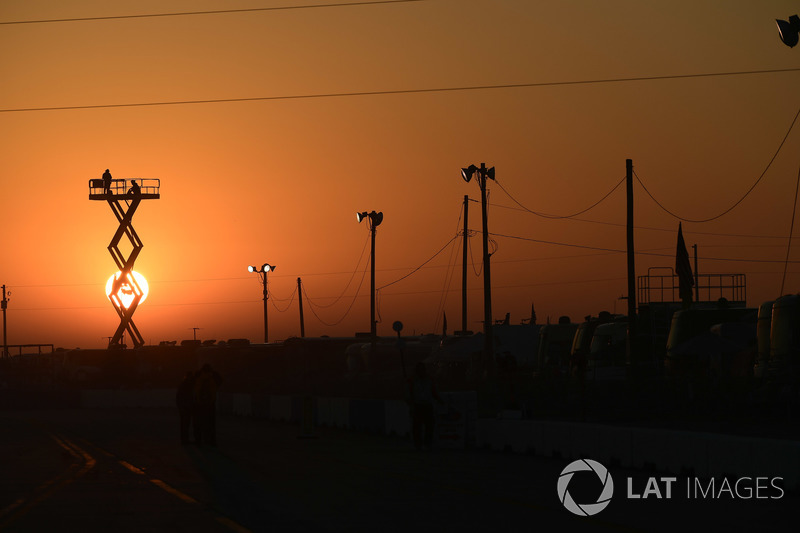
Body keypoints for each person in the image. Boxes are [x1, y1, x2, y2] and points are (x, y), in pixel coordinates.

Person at [408, 362, 443, 450]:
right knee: (418, 427)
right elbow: (410, 394)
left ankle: (426, 444)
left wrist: (439, 399)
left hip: (426, 405)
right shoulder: (413, 381)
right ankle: (419, 444)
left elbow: (433, 391)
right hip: (418, 405)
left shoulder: (428, 380)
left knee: (428, 426)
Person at [193, 363, 223, 446]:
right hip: (210, 404)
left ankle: (198, 441)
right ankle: (211, 441)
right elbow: (220, 381)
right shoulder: (213, 376)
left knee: (199, 424)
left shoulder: (198, 376)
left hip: (199, 404)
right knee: (211, 424)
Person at [176, 371, 195, 445]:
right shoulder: (188, 385)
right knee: (186, 424)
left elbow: (178, 396)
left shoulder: (183, 384)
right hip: (186, 407)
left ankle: (184, 439)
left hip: (184, 407)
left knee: (184, 424)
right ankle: (185, 439)